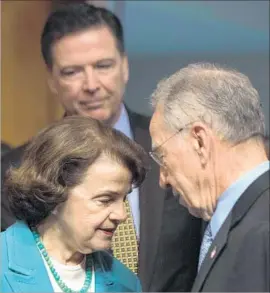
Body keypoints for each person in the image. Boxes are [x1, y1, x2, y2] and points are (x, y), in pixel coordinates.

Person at [1, 3, 202, 291]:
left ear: (125, 66)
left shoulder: (177, 147)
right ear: (51, 79)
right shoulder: (15, 170)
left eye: (103, 66)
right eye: (72, 72)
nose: (91, 84)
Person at [149, 62, 269, 292]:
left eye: (162, 157)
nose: (162, 179)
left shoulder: (261, 230)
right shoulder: (242, 220)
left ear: (199, 141)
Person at [1, 116, 147, 292]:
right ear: (54, 192)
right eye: (106, 200)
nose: (122, 215)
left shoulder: (127, 283)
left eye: (124, 199)